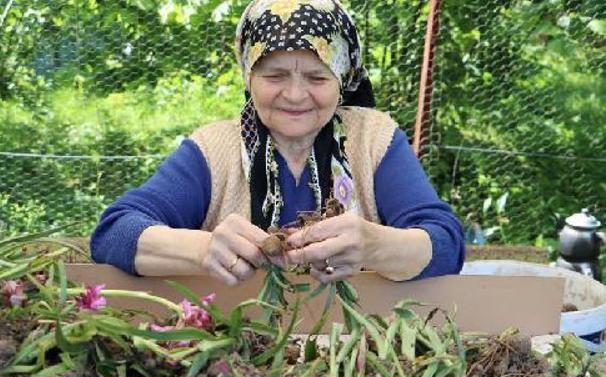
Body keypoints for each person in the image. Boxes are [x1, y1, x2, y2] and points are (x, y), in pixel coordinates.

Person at [91, 0, 464, 285]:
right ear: (248, 76)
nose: (296, 95)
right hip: (237, 344)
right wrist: (203, 250)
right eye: (275, 75)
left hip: (357, 346)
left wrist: (374, 245)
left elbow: (446, 244)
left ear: (343, 78)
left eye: (318, 78)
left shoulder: (374, 140)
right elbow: (114, 233)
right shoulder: (213, 150)